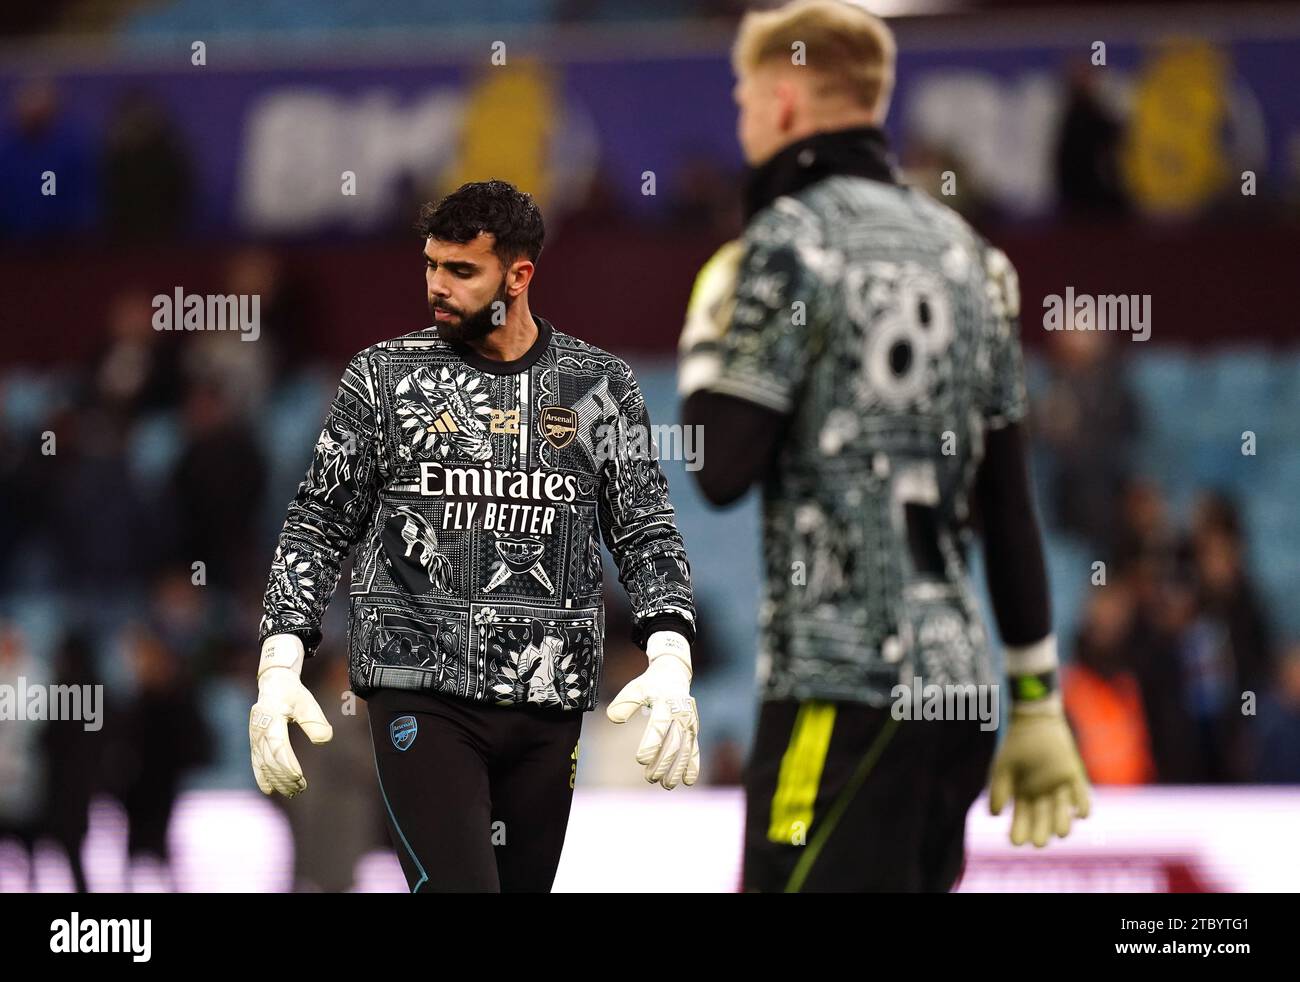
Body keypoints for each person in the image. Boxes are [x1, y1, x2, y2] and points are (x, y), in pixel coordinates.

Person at [678, 0, 1089, 892]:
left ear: (786, 102)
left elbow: (720, 469)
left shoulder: (785, 244)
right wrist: (1038, 699)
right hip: (958, 695)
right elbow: (1011, 502)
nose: (743, 120)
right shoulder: (975, 259)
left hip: (840, 691)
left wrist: (712, 344)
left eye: (746, 98)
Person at [251, 180, 699, 893]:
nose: (437, 286)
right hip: (418, 695)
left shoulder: (597, 386)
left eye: (462, 271)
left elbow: (645, 527)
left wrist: (670, 652)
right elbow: (317, 521)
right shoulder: (383, 379)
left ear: (519, 276)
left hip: (548, 704)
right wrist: (281, 656)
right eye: (432, 265)